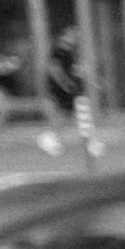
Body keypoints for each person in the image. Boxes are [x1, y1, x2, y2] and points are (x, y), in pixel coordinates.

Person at [37, 26, 85, 157]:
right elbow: (54, 69)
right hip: (57, 90)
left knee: (70, 116)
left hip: (67, 89)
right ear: (66, 35)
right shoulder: (58, 51)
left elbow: (73, 70)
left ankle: (50, 139)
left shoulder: (69, 52)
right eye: (74, 35)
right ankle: (48, 139)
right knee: (60, 117)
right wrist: (65, 83)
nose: (76, 38)